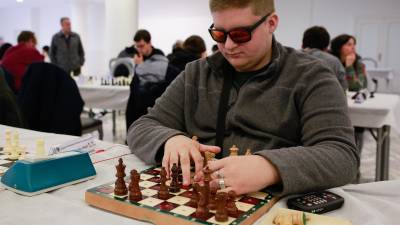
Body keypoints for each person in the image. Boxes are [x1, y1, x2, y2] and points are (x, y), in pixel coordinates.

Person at [127, 0, 358, 196]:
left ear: (271, 23)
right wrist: (171, 139)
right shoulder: (195, 74)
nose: (227, 46)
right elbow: (142, 127)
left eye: (240, 34)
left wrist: (270, 168)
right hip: (199, 199)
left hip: (272, 204)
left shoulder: (311, 75)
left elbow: (342, 156)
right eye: (218, 34)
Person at [331, 34, 367, 163]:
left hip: (353, 105)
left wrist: (349, 67)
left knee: (358, 128)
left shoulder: (359, 64)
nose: (353, 48)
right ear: (339, 47)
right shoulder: (332, 61)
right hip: (335, 103)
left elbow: (358, 87)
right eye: (349, 44)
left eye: (354, 44)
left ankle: (355, 162)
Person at [301, 26, 347, 91]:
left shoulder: (291, 57)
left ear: (302, 44)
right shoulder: (333, 61)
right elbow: (343, 88)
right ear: (326, 47)